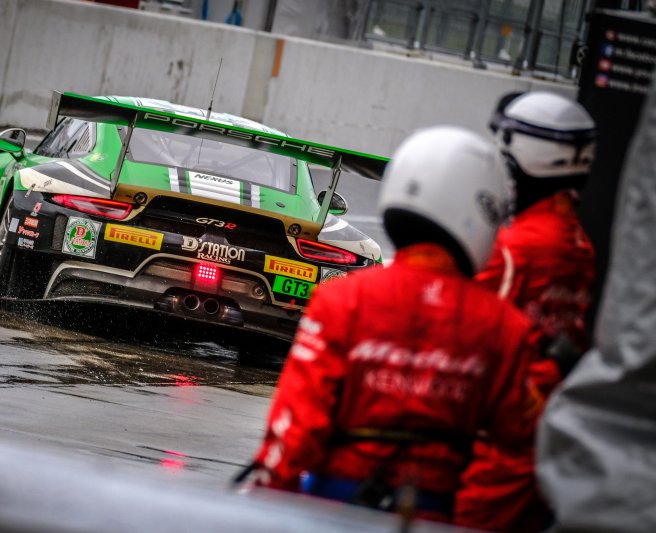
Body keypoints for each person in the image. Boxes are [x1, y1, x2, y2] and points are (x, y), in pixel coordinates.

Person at [247, 126, 543, 523]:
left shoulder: (343, 300)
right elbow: (516, 457)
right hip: (441, 513)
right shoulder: (508, 328)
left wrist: (263, 511)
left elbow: (294, 431)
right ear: (482, 211)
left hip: (332, 509)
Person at [454, 91, 597, 532]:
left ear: (529, 158)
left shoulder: (514, 248)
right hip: (547, 440)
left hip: (492, 451)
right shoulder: (579, 243)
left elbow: (458, 334)